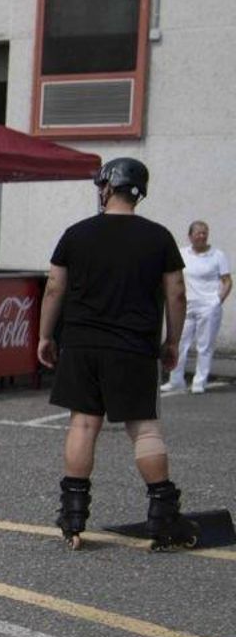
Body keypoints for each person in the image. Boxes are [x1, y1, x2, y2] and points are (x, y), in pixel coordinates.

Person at [37, 157, 194, 552]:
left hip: (83, 343)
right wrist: (172, 341)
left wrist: (44, 336)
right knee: (144, 428)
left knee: (83, 425)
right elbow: (176, 292)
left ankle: (73, 519)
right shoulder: (158, 237)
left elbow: (55, 287)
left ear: (107, 187)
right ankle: (162, 516)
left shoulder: (77, 233)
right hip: (134, 347)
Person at [160, 220, 230, 394]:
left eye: (205, 232)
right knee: (180, 343)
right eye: (198, 233)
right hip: (187, 305)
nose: (202, 236)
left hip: (209, 306)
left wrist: (217, 300)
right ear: (190, 236)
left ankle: (200, 381)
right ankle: (176, 380)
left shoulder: (217, 255)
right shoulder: (182, 253)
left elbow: (227, 281)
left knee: (204, 345)